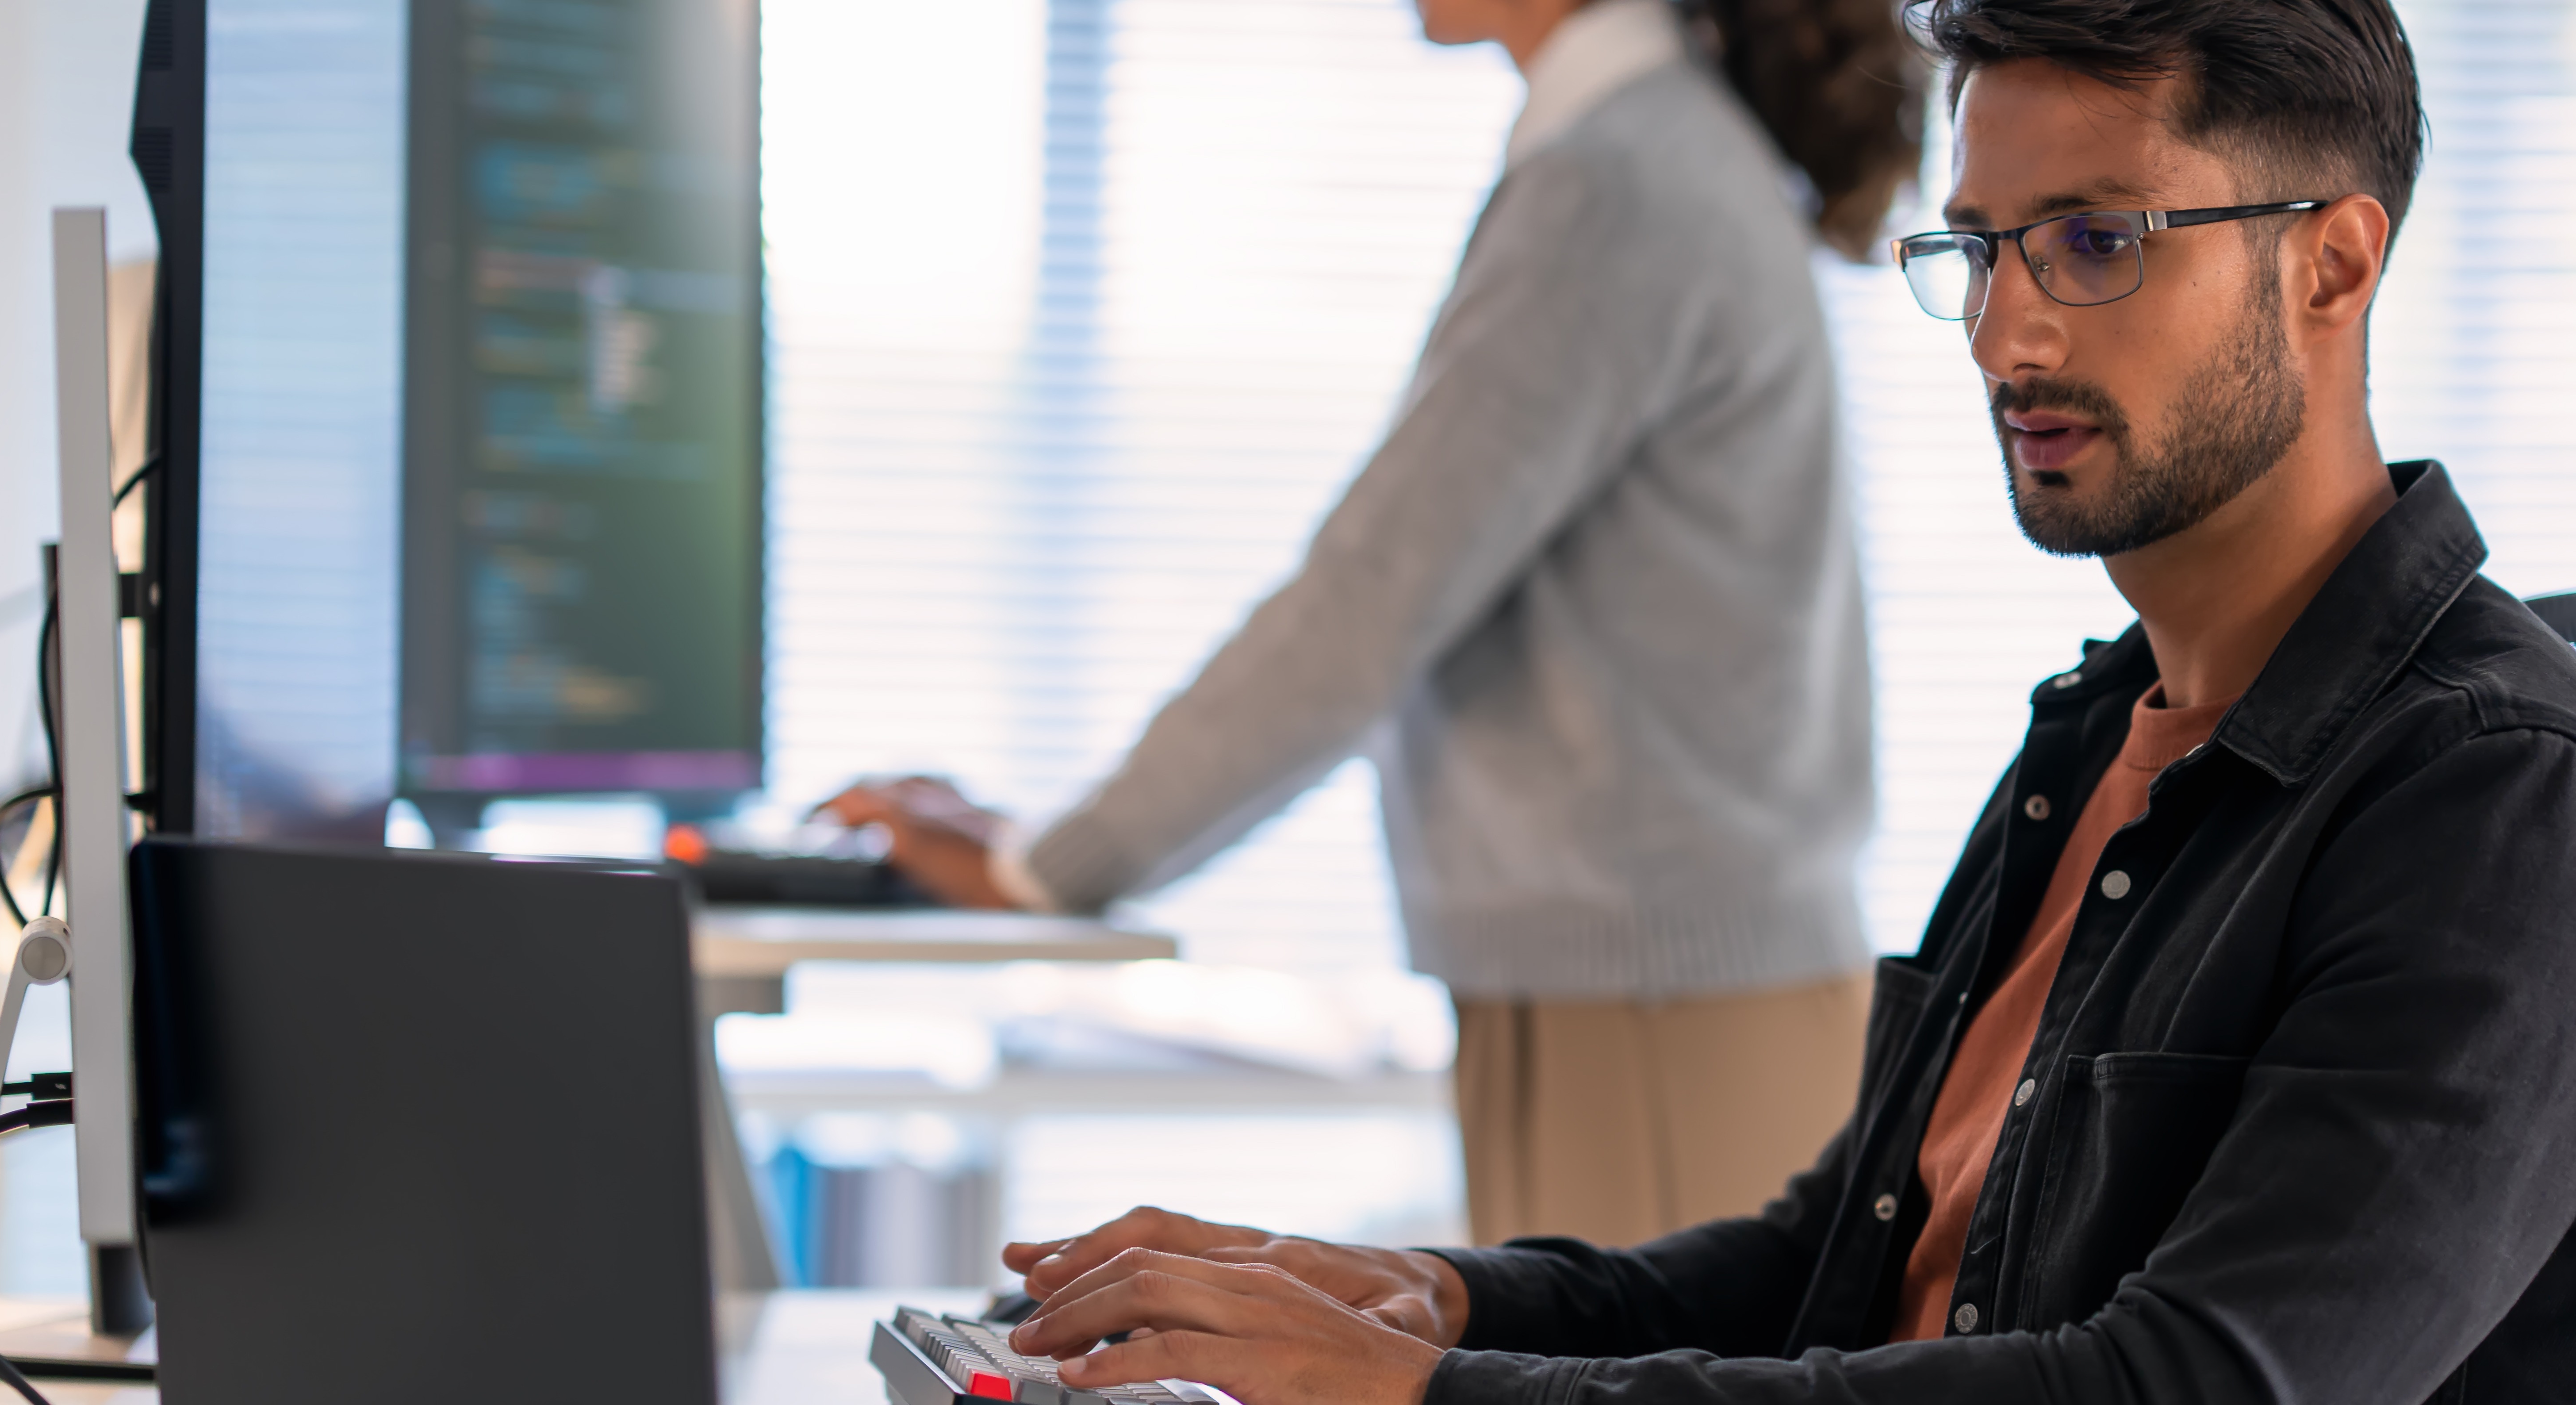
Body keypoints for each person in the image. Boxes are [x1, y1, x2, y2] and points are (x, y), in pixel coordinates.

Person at [968, 0, 2576, 1400]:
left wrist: (1433, 1390)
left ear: (2331, 264)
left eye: (2099, 240)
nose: (2010, 336)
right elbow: (1842, 1254)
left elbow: (2200, 1380)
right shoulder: (2100, 735)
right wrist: (1423, 1294)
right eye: (1983, 248)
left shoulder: (2504, 808)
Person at [823, 0, 1926, 1248]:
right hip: (1650, 998)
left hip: (1662, 1016)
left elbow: (1373, 600)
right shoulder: (1641, 152)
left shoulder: (1619, 181)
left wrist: (1048, 869)